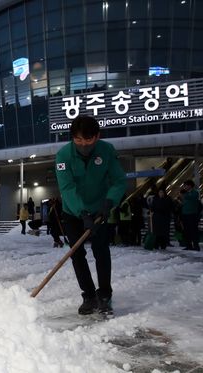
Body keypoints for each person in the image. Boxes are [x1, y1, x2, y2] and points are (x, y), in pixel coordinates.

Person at [55, 115, 126, 315]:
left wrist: (109, 202)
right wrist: (82, 212)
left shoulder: (107, 151)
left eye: (88, 140)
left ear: (97, 136)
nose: (83, 144)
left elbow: (119, 181)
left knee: (101, 250)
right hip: (72, 211)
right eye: (78, 140)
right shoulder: (63, 156)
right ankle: (88, 296)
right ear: (72, 138)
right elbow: (67, 188)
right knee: (77, 254)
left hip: (99, 210)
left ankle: (104, 295)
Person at [178, 180, 202, 251]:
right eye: (184, 185)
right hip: (185, 214)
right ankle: (188, 245)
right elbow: (184, 203)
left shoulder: (194, 192)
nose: (184, 187)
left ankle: (196, 246)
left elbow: (190, 197)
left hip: (192, 215)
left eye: (186, 185)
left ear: (190, 186)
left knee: (193, 230)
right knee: (186, 230)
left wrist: (183, 195)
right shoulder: (186, 194)